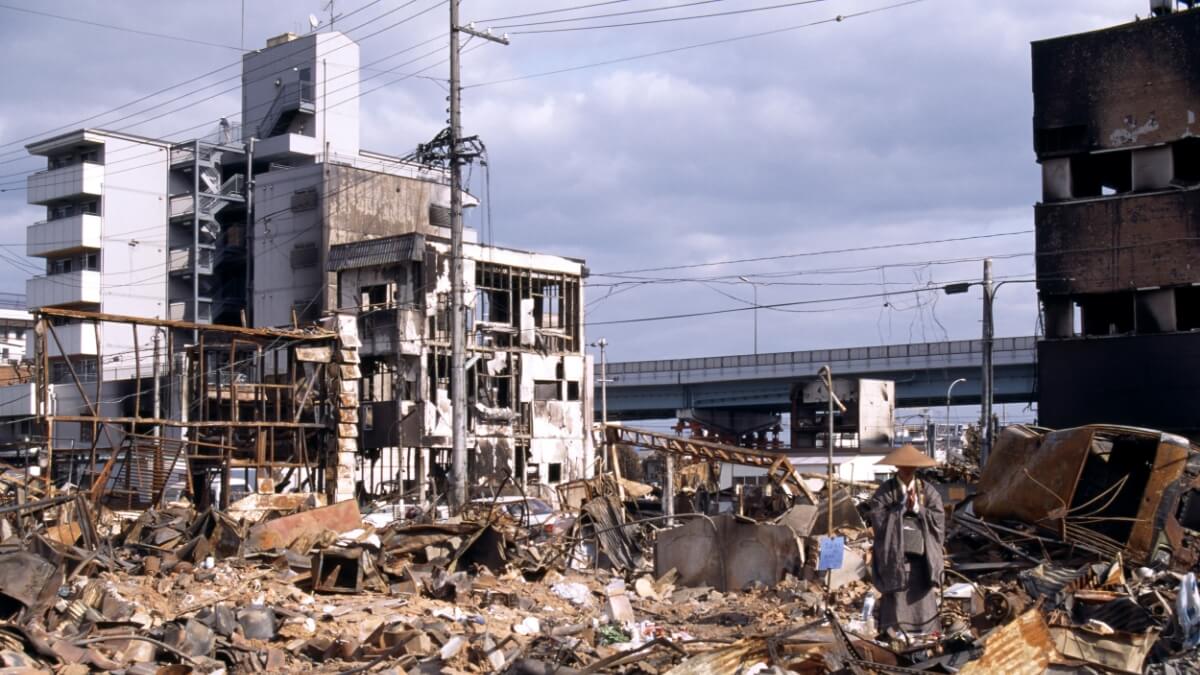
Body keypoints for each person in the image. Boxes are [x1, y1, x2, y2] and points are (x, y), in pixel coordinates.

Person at [860, 444, 944, 637]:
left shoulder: (927, 491)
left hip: (922, 556)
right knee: (896, 593)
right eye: (903, 467)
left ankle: (927, 631)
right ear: (896, 467)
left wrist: (917, 509)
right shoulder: (885, 491)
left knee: (922, 592)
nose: (907, 470)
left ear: (916, 468)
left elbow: (938, 518)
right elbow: (878, 519)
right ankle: (895, 631)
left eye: (911, 467)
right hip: (895, 554)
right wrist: (899, 509)